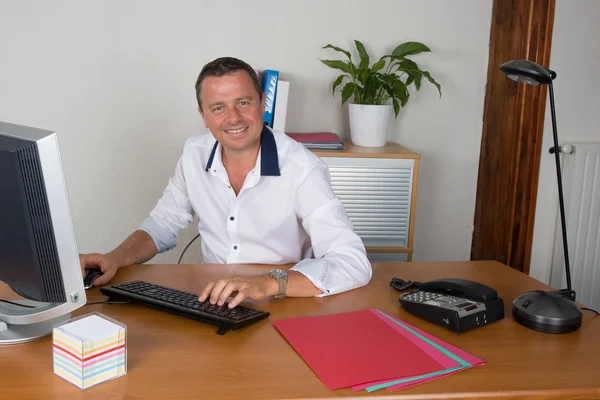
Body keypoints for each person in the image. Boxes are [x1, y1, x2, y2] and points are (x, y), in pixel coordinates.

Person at [79, 57, 372, 308]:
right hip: (215, 298)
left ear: (262, 104)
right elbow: (163, 224)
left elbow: (352, 262)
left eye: (243, 103)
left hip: (284, 300)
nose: (233, 118)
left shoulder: (302, 167)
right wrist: (114, 258)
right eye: (218, 108)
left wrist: (266, 285)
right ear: (203, 116)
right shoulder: (194, 154)